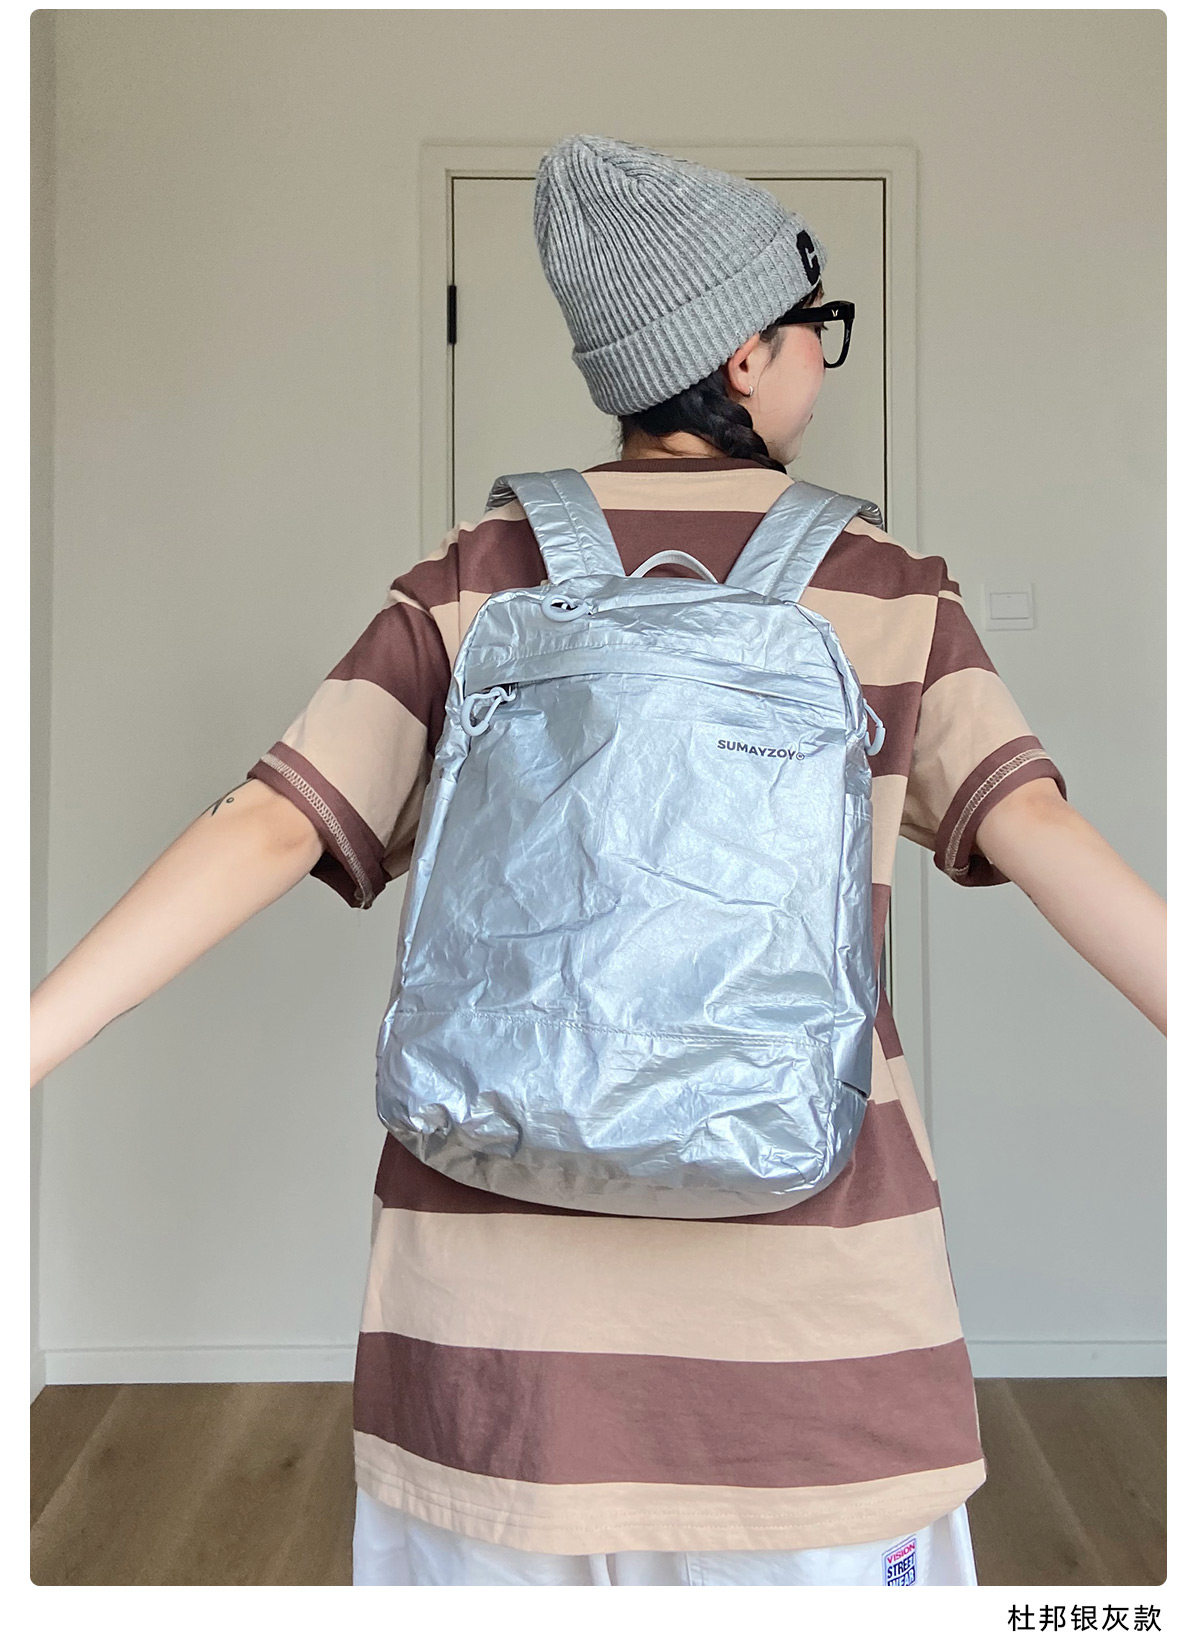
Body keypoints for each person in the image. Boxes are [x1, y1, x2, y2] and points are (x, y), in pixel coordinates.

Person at [30, 133, 1166, 1588]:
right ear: (745, 357)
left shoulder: (475, 578)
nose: (824, 361)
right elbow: (1042, 830)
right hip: (815, 1352)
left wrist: (25, 1048)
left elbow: (270, 820)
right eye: (815, 329)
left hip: (495, 1365)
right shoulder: (886, 591)